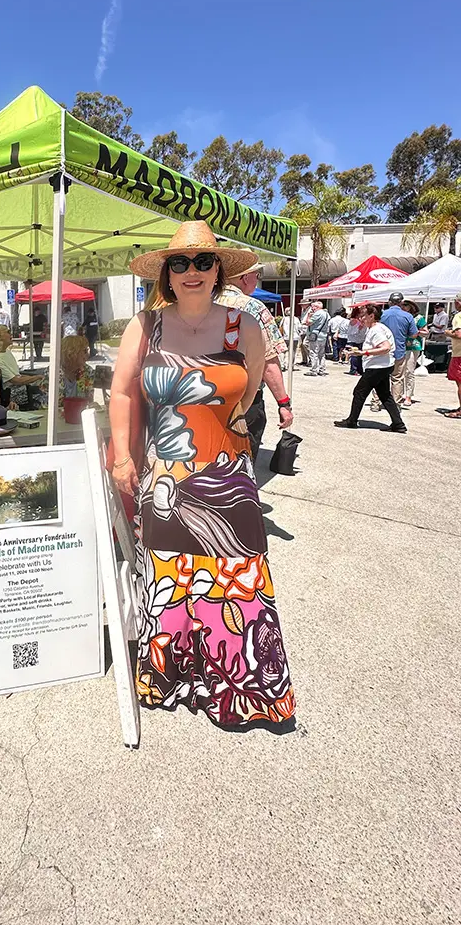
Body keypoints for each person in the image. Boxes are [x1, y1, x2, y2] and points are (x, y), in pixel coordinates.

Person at [110, 221, 295, 728]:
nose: (192, 272)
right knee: (171, 581)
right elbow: (123, 392)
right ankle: (174, 676)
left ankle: (240, 688)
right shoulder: (143, 327)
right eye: (180, 263)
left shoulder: (245, 325)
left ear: (218, 271)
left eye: (202, 262)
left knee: (235, 585)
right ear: (167, 274)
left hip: (228, 476)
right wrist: (122, 455)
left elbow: (250, 387)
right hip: (164, 477)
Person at [216, 253, 293, 460]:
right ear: (245, 277)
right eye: (256, 275)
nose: (257, 279)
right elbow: (268, 362)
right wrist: (283, 403)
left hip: (205, 395)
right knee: (241, 458)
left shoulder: (201, 303)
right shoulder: (252, 307)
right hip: (244, 398)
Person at [334, 304, 407, 433]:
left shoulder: (376, 330)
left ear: (372, 316)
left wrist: (363, 353)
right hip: (383, 366)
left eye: (363, 316)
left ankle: (352, 420)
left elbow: (385, 347)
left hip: (377, 367)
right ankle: (398, 424)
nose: (361, 319)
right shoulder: (377, 328)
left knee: (359, 392)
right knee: (385, 395)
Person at [0, 324, 44, 407]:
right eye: (8, 332)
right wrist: (37, 377)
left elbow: (18, 375)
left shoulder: (7, 352)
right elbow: (15, 380)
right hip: (12, 393)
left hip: (19, 387)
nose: (11, 334)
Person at [380, 292, 418, 405]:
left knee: (380, 377)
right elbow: (414, 334)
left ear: (389, 302)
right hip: (399, 351)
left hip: (382, 350)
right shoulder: (408, 316)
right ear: (401, 302)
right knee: (397, 379)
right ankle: (395, 404)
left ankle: (376, 402)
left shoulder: (382, 314)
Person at [58, 333, 95, 408]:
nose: (87, 355)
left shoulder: (88, 371)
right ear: (71, 353)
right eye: (84, 351)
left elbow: (89, 401)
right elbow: (47, 406)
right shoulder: (53, 372)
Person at [401, 301, 426, 408]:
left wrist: (416, 332)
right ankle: (400, 394)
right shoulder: (402, 316)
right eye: (402, 305)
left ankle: (408, 396)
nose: (403, 307)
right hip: (401, 345)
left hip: (413, 346)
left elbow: (426, 332)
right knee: (399, 371)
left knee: (409, 371)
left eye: (405, 305)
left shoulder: (418, 318)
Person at [444, 294, 461, 418]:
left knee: (460, 382)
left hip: (459, 354)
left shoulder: (458, 316)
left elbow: (459, 334)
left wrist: (448, 332)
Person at [304, 302, 330, 376]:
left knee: (313, 353)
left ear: (316, 307)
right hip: (323, 335)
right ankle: (322, 369)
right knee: (321, 354)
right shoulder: (326, 314)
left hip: (315, 335)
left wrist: (308, 316)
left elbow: (308, 323)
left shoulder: (317, 314)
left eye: (313, 307)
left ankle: (314, 370)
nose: (312, 308)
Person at [345, 307, 366, 375]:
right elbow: (352, 331)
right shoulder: (354, 321)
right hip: (354, 340)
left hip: (359, 340)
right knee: (354, 356)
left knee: (359, 356)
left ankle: (359, 369)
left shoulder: (358, 321)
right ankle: (354, 370)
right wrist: (359, 328)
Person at [280, 307, 301, 372]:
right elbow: (299, 328)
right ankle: (290, 366)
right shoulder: (296, 319)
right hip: (294, 337)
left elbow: (280, 326)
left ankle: (282, 365)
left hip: (286, 337)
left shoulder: (284, 319)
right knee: (292, 352)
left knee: (283, 351)